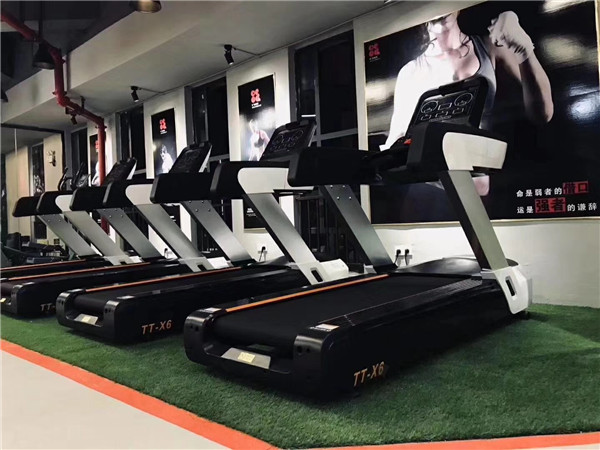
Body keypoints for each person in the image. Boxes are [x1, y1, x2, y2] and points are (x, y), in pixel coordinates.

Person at [383, 10, 553, 195]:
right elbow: (394, 149)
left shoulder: (490, 48)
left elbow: (543, 114)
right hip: (433, 195)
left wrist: (523, 49)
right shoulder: (410, 73)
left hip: (485, 190)